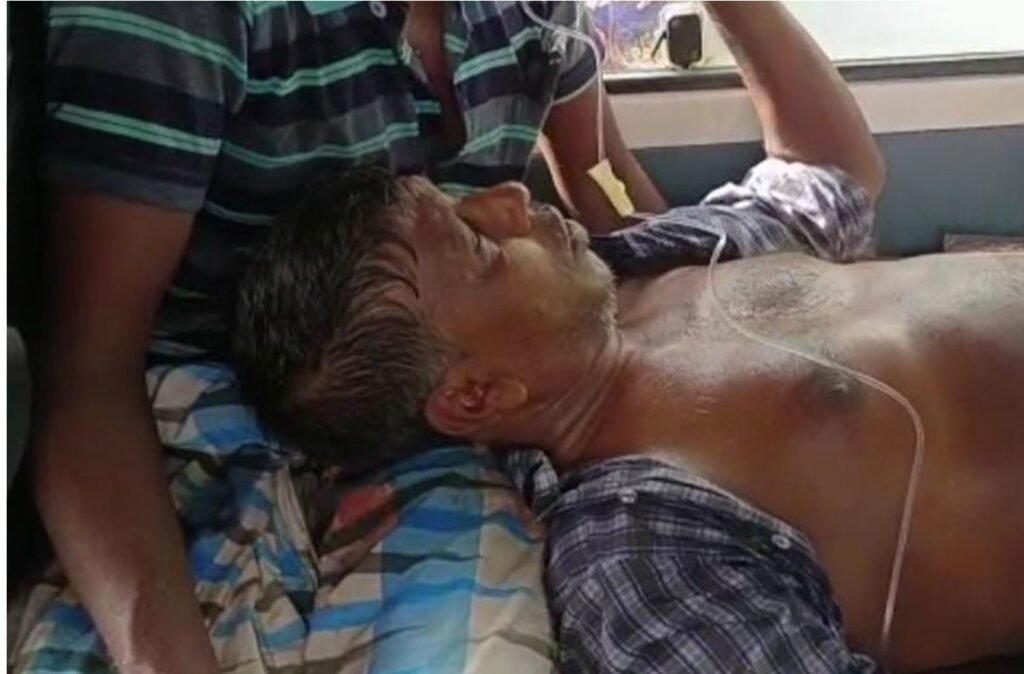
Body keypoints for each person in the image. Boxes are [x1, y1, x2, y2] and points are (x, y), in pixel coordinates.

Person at [233, 3, 1024, 673]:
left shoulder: (652, 262)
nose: (510, 197)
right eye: (480, 244)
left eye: (465, 201)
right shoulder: (640, 553)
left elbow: (835, 172)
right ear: (476, 395)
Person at [30, 2, 667, 671]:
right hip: (183, 439)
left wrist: (706, 279)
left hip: (434, 435)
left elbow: (606, 186)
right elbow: (88, 373)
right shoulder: (182, 18)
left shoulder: (536, 14)